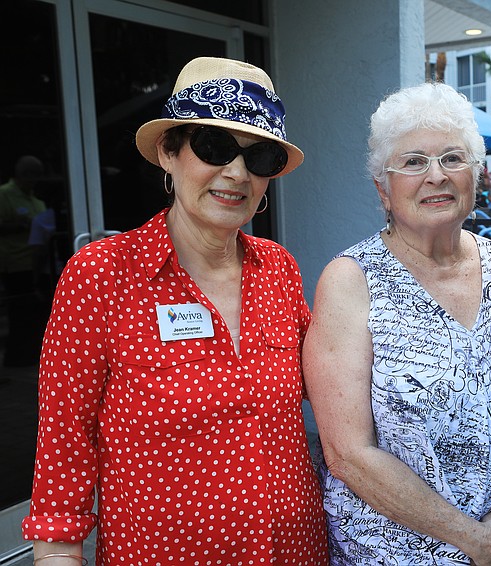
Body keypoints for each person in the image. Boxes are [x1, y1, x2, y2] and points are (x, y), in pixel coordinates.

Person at [22, 57, 329, 565]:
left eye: (259, 158)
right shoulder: (102, 275)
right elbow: (63, 453)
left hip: (296, 551)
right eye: (214, 147)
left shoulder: (279, 268)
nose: (236, 173)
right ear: (168, 152)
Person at [302, 82, 491, 565]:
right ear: (383, 189)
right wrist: (471, 538)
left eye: (452, 159)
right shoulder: (350, 280)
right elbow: (347, 452)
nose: (436, 176)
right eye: (413, 162)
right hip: (395, 553)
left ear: (476, 176)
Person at [0, 155, 46, 367]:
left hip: (38, 263)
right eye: (30, 175)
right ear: (21, 174)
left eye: (37, 176)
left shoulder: (38, 201)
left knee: (36, 315)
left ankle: (30, 358)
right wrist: (19, 225)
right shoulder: (4, 194)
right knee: (18, 315)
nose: (33, 180)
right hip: (14, 263)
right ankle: (14, 360)